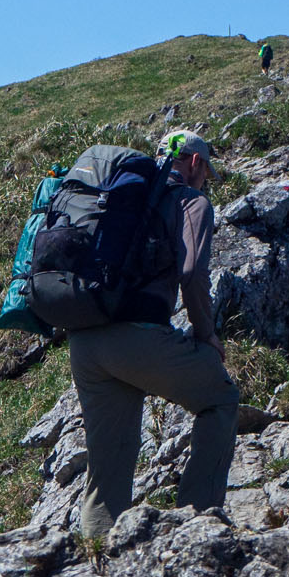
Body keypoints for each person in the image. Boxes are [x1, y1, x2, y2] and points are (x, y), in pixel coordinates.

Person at [67, 131, 238, 537]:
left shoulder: (119, 195)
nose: (204, 182)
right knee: (221, 399)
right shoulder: (190, 200)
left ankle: (98, 569)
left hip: (84, 339)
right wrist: (206, 334)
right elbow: (192, 272)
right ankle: (196, 528)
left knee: (107, 469)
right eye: (205, 173)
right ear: (195, 163)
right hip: (136, 339)